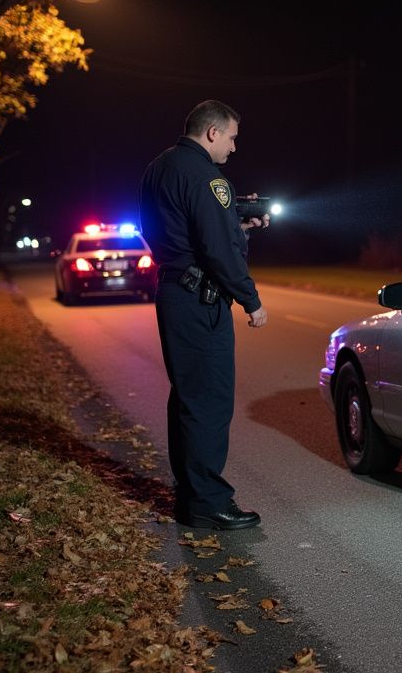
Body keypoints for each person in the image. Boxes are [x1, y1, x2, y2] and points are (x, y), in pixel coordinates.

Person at [139, 99, 268, 530]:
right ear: (212, 132)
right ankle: (210, 502)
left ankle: (190, 496)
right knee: (209, 403)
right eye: (232, 137)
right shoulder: (208, 177)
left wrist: (236, 226)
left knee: (188, 398)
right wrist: (250, 300)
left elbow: (182, 230)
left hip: (174, 290)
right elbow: (218, 250)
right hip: (202, 301)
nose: (233, 147)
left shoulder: (159, 167)